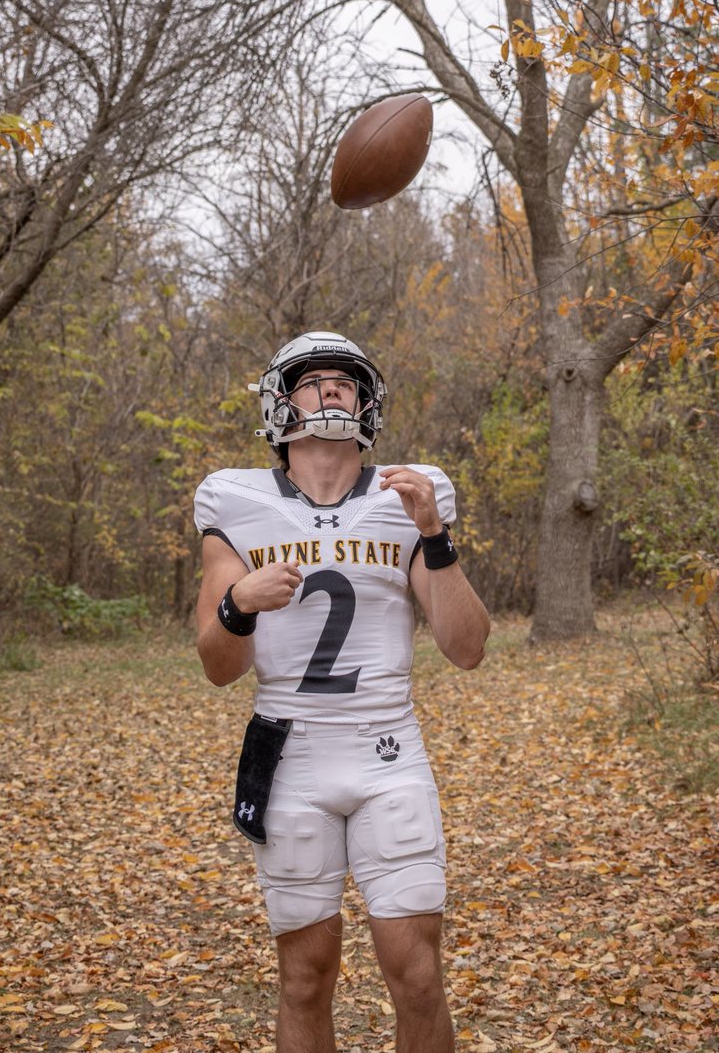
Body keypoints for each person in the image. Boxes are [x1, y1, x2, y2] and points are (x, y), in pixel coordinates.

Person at [193, 330, 490, 1053]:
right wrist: (239, 604)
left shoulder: (408, 495)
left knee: (416, 973)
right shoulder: (235, 501)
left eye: (345, 380)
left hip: (388, 753)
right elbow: (217, 664)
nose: (332, 389)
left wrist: (435, 536)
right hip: (291, 754)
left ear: (367, 401)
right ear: (278, 402)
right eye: (313, 378)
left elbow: (467, 647)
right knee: (304, 975)